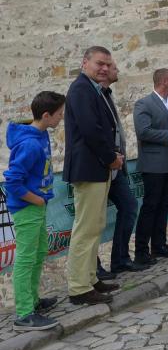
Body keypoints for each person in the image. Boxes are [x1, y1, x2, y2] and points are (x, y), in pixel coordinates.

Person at [64, 46, 123, 306]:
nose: (104, 68)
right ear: (85, 62)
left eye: (108, 64)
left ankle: (89, 278)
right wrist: (111, 158)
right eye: (100, 63)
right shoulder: (81, 89)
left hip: (97, 168)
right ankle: (79, 288)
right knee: (86, 228)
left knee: (95, 225)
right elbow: (91, 130)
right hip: (89, 168)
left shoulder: (92, 89)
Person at [4, 92, 65, 331]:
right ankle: (24, 314)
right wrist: (36, 199)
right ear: (47, 115)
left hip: (37, 205)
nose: (61, 118)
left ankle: (33, 300)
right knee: (26, 258)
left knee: (39, 252)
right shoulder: (29, 144)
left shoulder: (41, 134)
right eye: (59, 114)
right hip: (27, 207)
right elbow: (12, 182)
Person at [133, 69, 168, 265]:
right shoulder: (144, 104)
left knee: (165, 205)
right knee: (150, 206)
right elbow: (143, 132)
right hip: (153, 164)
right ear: (165, 81)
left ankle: (159, 246)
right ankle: (141, 251)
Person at [103, 62, 145, 274]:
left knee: (129, 206)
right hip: (100, 166)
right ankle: (92, 268)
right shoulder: (90, 94)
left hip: (116, 166)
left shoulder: (107, 94)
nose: (117, 71)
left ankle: (120, 259)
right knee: (91, 220)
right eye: (113, 67)